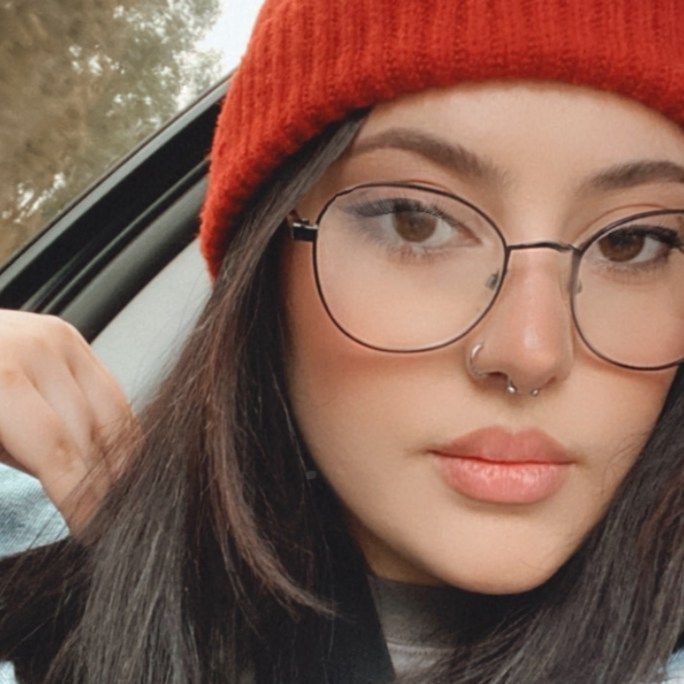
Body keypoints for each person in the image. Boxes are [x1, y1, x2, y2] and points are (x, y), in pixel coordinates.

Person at [1, 0, 683, 681]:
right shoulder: (49, 544)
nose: (531, 352)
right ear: (266, 266)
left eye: (633, 243)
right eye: (416, 222)